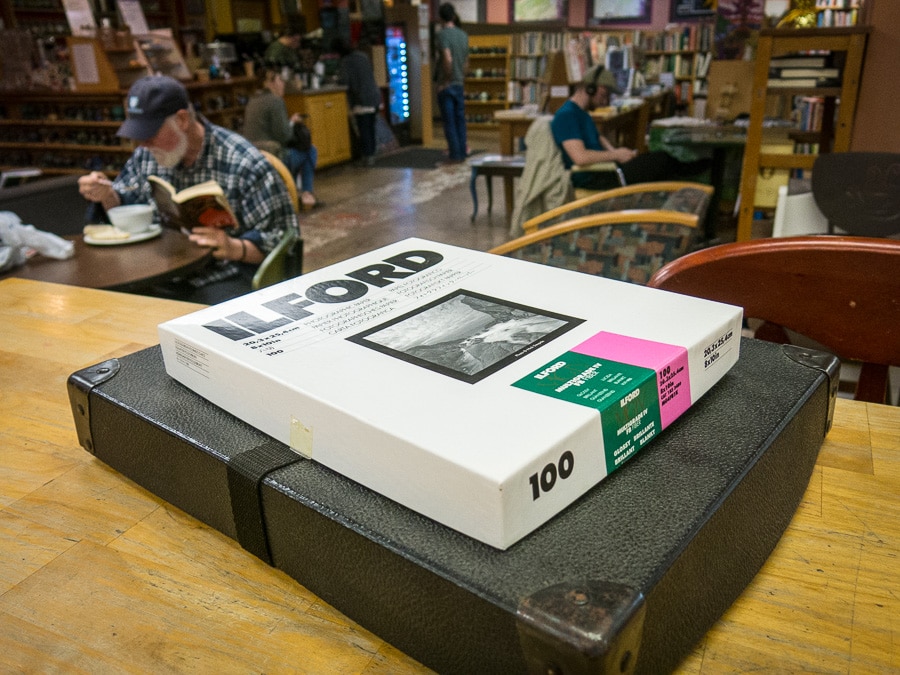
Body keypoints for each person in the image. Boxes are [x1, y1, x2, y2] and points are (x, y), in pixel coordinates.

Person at [78, 75, 299, 304]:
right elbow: (129, 211)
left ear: (182, 120)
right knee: (111, 302)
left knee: (194, 319)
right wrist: (107, 196)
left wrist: (233, 247)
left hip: (225, 275)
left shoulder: (243, 162)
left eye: (150, 133)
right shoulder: (146, 156)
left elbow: (284, 242)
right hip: (162, 270)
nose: (142, 144)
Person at [552, 64, 710, 192]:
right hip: (595, 177)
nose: (606, 102)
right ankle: (696, 178)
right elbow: (580, 157)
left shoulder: (581, 113)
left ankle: (693, 176)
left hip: (606, 169)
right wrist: (615, 155)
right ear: (594, 89)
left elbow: (598, 137)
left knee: (660, 160)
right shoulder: (567, 116)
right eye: (605, 95)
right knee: (661, 162)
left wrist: (618, 153)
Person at [243, 68, 320, 208]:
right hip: (274, 157)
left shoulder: (252, 101)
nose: (283, 84)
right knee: (310, 151)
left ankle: (296, 194)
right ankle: (307, 195)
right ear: (270, 83)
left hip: (255, 157)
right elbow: (284, 136)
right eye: (280, 80)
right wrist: (292, 122)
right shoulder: (275, 101)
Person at [334, 37, 382, 167]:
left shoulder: (346, 62)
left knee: (364, 128)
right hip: (374, 95)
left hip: (360, 99)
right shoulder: (363, 56)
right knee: (371, 126)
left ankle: (368, 155)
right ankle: (372, 152)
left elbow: (345, 82)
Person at [434, 3, 469, 163]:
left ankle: (455, 154)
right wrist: (460, 78)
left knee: (449, 122)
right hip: (459, 83)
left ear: (440, 18)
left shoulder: (442, 35)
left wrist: (445, 81)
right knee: (460, 120)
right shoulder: (463, 35)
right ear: (454, 16)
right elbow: (466, 62)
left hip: (447, 84)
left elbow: (447, 58)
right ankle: (462, 151)